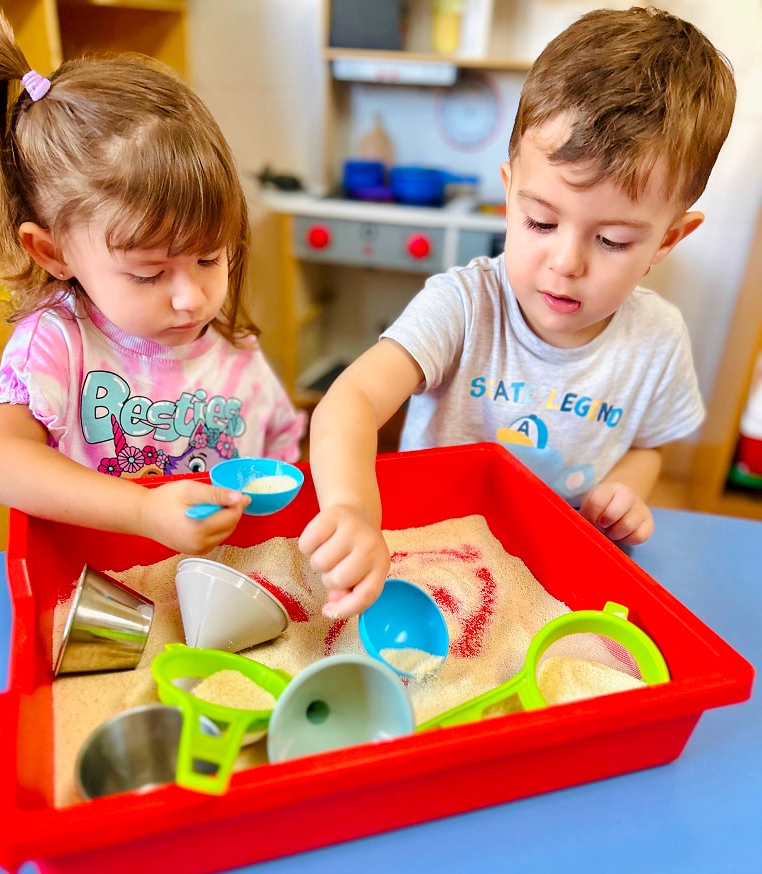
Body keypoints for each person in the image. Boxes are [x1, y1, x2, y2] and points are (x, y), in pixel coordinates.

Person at [299, 5, 736, 620]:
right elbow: (351, 400)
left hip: (552, 573)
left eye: (612, 240)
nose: (566, 262)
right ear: (508, 194)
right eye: (541, 222)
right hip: (425, 556)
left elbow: (647, 447)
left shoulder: (658, 340)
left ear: (667, 240)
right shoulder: (463, 304)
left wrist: (625, 492)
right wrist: (351, 508)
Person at [0, 4, 304, 556]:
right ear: (53, 252)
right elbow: (1, 464)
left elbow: (280, 459)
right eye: (149, 274)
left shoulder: (231, 349)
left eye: (209, 259)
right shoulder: (59, 344)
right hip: (97, 583)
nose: (191, 298)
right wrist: (143, 511)